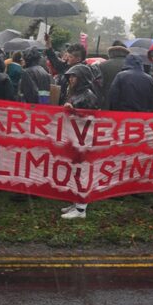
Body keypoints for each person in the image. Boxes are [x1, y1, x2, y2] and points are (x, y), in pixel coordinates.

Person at [60, 64, 100, 219]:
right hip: (75, 139)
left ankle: (81, 209)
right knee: (75, 171)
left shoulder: (88, 94)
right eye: (69, 76)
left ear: (82, 77)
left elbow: (89, 117)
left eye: (74, 76)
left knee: (81, 172)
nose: (70, 79)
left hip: (84, 141)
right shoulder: (75, 93)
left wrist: (74, 109)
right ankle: (76, 202)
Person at [97, 44, 130, 109]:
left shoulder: (102, 65)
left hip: (108, 101)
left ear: (110, 53)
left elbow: (99, 85)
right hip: (126, 101)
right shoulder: (130, 65)